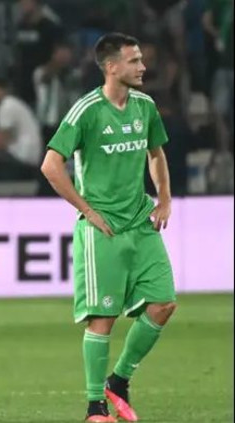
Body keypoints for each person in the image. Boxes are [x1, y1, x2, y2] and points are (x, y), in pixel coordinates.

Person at [41, 33, 176, 423]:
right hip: (104, 230)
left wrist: (164, 198)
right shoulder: (86, 110)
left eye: (141, 59)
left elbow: (156, 153)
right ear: (111, 67)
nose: (143, 66)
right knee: (103, 318)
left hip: (140, 221)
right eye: (134, 60)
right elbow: (51, 165)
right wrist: (87, 210)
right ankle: (95, 406)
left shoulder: (145, 106)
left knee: (164, 304)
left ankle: (119, 380)